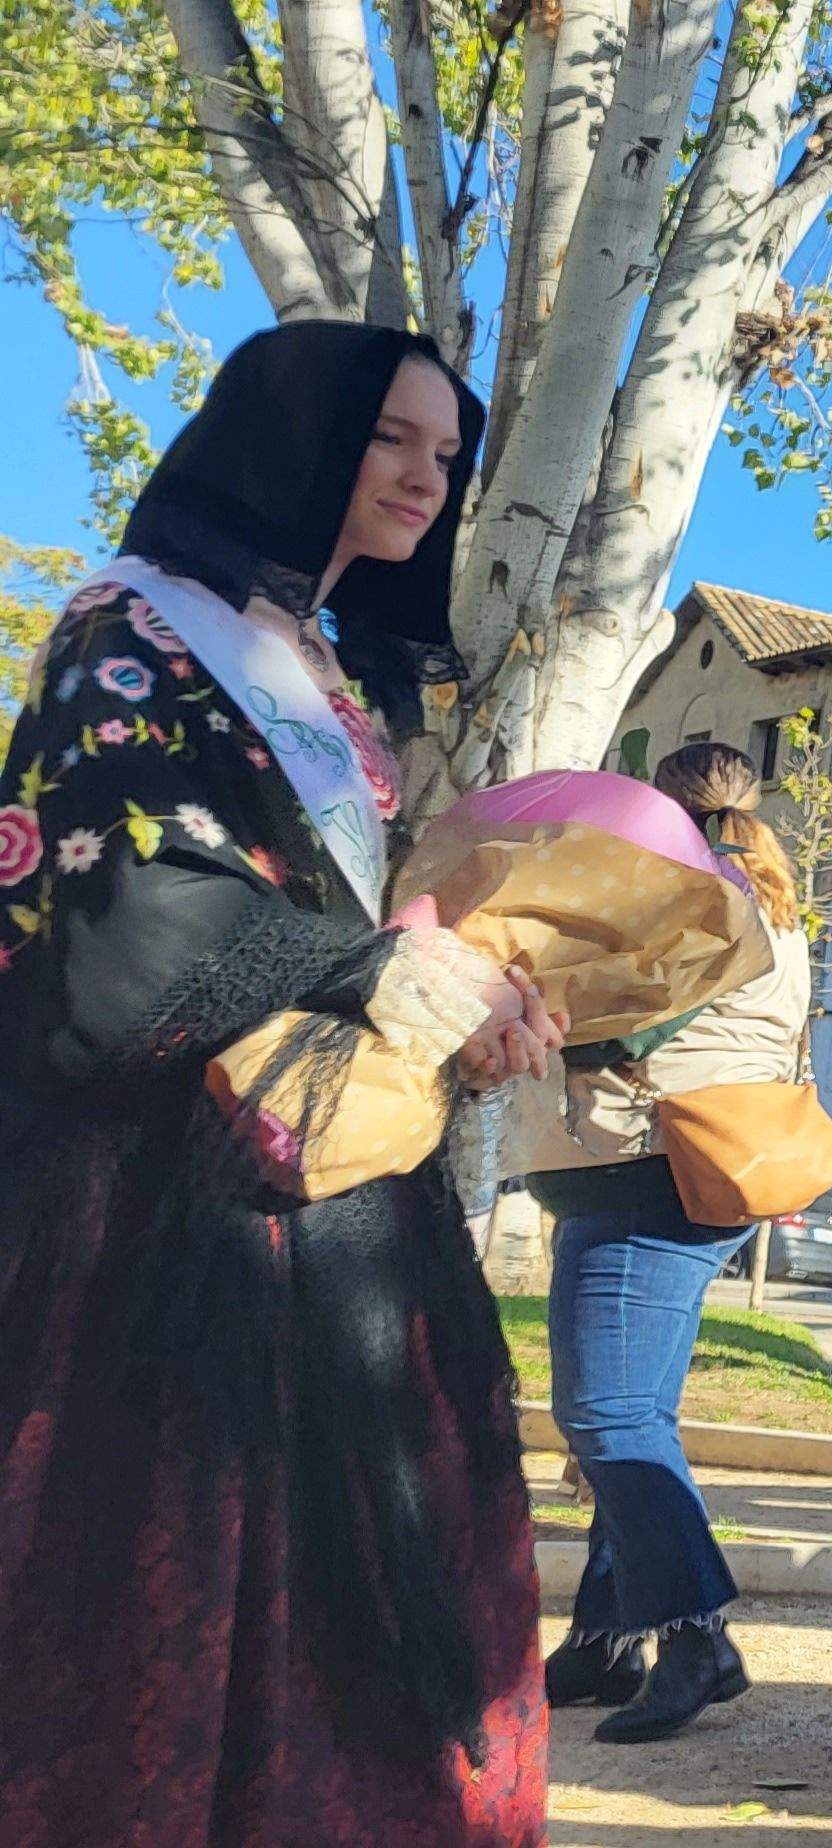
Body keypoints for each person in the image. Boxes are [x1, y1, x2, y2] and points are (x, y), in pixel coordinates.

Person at [0, 322, 570, 1840]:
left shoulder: (325, 667)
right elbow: (108, 916)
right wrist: (379, 972)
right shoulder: (130, 633)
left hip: (339, 1209)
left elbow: (347, 935)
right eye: (393, 438)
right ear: (294, 434)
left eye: (447, 455)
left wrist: (470, 995)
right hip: (158, 1226)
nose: (427, 479)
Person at [517, 743, 816, 1745]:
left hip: (645, 1166)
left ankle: (699, 1639)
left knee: (603, 1414)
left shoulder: (691, 895)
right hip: (677, 1168)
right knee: (634, 1412)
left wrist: (524, 990)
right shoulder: (760, 891)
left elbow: (621, 1030)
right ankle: (606, 1639)